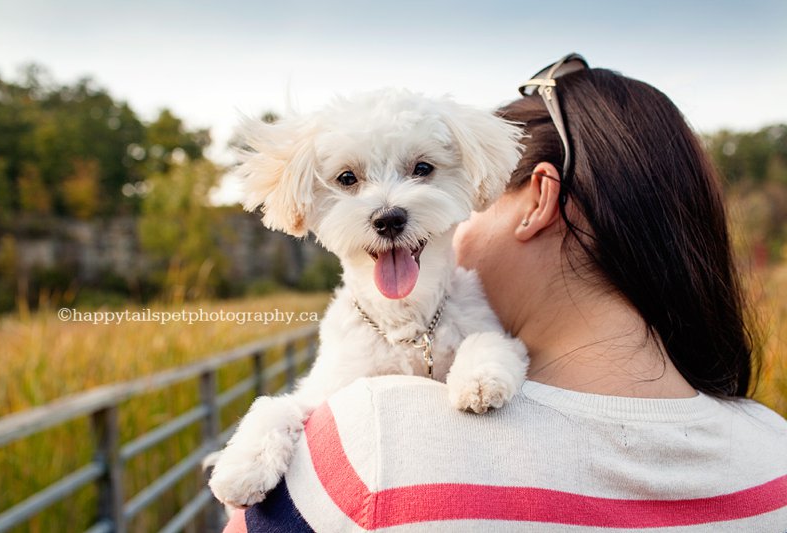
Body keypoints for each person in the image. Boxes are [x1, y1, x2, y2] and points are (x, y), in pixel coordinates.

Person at [222, 54, 787, 532]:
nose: (390, 205)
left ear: (540, 199)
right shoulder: (774, 447)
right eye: (348, 181)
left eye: (423, 170)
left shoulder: (364, 445)